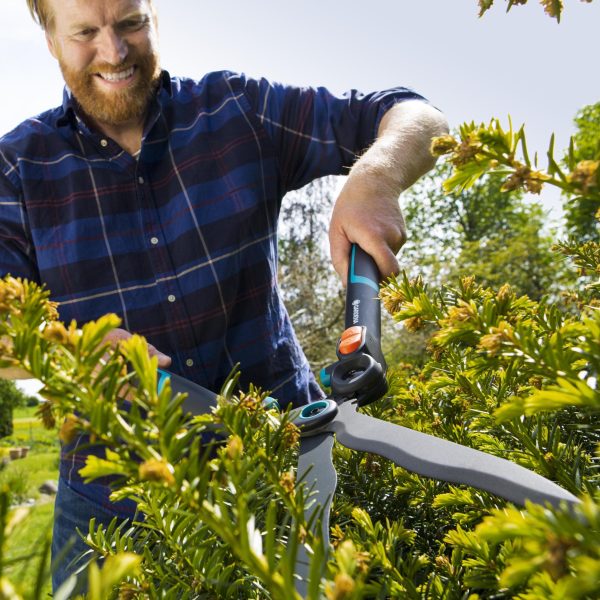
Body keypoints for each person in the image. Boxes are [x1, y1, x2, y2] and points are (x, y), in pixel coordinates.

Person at [0, 0, 448, 592]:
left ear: (154, 16)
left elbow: (417, 116)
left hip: (286, 457)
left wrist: (376, 176)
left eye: (131, 23)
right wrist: (69, 353)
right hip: (114, 500)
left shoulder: (235, 109)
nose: (114, 52)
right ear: (51, 39)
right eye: (85, 32)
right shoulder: (17, 170)